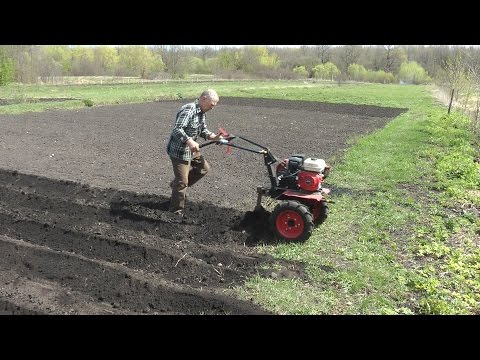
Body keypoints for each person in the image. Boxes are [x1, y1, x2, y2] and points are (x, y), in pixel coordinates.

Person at [166, 89, 223, 216]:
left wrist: (214, 137)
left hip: (192, 150)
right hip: (180, 151)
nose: (212, 108)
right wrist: (190, 141)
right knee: (182, 182)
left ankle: (176, 187)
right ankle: (175, 211)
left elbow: (203, 130)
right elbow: (177, 129)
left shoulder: (202, 112)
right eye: (212, 104)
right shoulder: (189, 109)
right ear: (203, 99)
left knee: (203, 168)